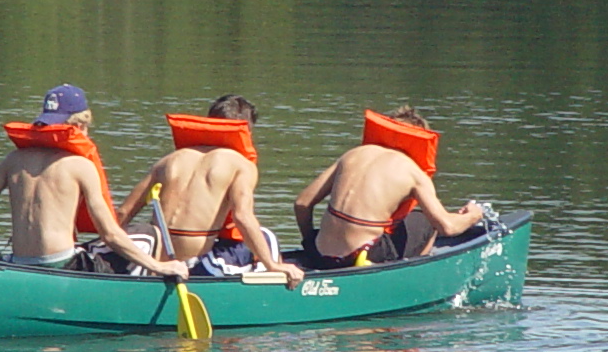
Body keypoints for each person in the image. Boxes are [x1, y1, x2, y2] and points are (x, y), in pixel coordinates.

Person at [0, 84, 187, 277]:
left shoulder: (13, 160)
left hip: (18, 264)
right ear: (79, 126)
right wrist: (160, 266)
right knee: (149, 234)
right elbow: (109, 234)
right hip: (62, 265)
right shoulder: (80, 166)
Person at [118, 95, 300, 279]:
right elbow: (242, 217)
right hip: (192, 263)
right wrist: (272, 264)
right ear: (247, 131)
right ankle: (275, 283)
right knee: (266, 237)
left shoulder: (170, 160)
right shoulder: (241, 165)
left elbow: (123, 213)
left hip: (152, 259)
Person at [293, 105, 491, 268]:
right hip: (361, 257)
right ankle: (413, 273)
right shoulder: (413, 172)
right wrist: (474, 214)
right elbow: (446, 226)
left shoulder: (353, 154)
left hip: (319, 253)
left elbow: (302, 204)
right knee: (426, 220)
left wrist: (309, 242)